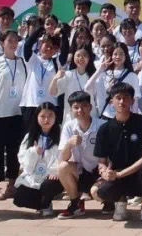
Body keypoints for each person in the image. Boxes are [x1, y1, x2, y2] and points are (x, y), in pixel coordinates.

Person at [92, 83, 142, 225]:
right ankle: (121, 203)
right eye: (118, 98)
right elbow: (101, 161)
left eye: (126, 97)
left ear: (132, 100)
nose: (122, 101)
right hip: (117, 174)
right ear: (111, 101)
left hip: (139, 173)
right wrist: (104, 172)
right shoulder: (104, 129)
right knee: (100, 192)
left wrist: (121, 174)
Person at [0, 30, 28, 200]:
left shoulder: (22, 62)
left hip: (17, 114)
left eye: (15, 40)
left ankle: (12, 183)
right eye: (9, 40)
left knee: (14, 150)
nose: (13, 44)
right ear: (2, 43)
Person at [57, 91, 105, 219]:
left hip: (101, 171)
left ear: (90, 107)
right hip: (81, 170)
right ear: (71, 110)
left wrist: (105, 172)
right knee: (62, 167)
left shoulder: (102, 125)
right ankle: (75, 203)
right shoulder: (69, 126)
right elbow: (64, 158)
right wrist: (69, 144)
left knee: (97, 193)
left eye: (84, 106)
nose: (80, 110)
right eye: (76, 107)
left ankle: (110, 202)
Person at [13, 101, 64, 216]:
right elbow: (23, 162)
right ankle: (41, 203)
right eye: (42, 116)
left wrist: (55, 171)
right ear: (37, 117)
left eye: (50, 116)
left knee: (48, 185)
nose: (46, 119)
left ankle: (46, 203)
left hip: (54, 175)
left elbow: (65, 155)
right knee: (19, 198)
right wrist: (33, 153)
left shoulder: (62, 134)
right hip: (35, 175)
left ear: (56, 117)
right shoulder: (30, 136)